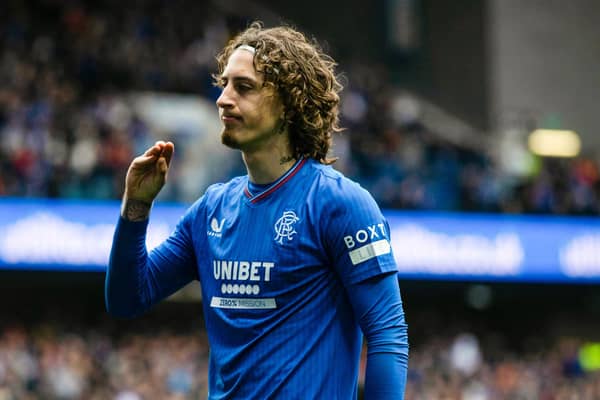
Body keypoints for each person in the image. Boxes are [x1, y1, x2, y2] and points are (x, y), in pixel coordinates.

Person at [106, 22, 408, 399]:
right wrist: (136, 205)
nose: (223, 99)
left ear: (288, 103)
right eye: (224, 84)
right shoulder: (210, 210)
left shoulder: (340, 204)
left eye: (243, 87)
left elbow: (388, 334)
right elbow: (127, 299)